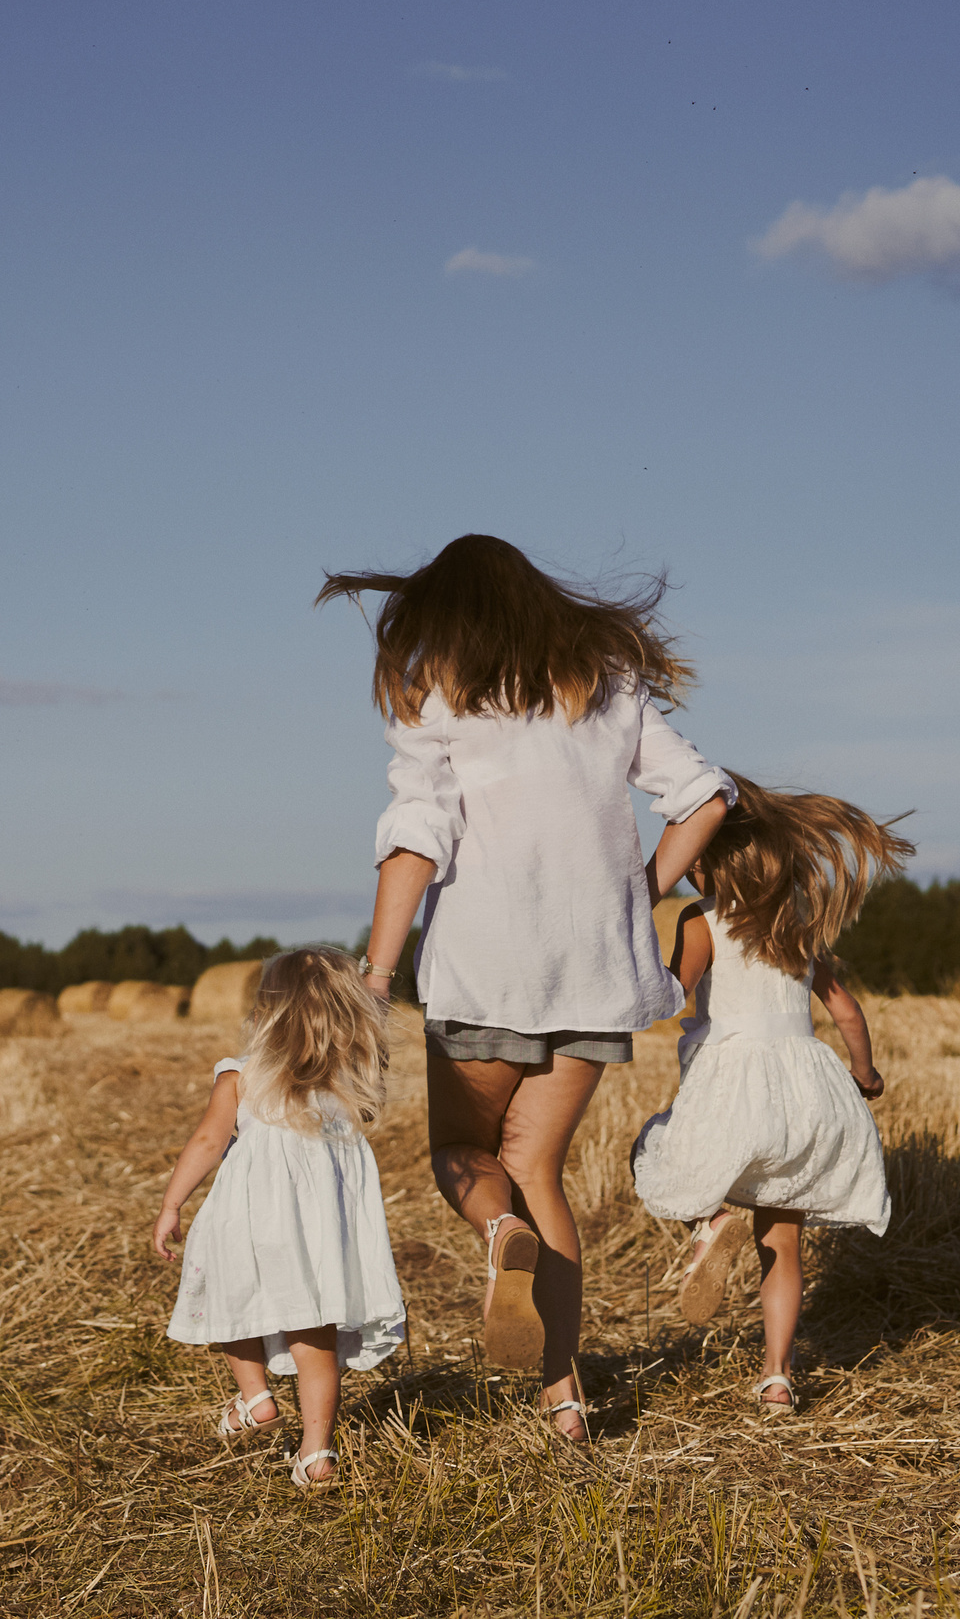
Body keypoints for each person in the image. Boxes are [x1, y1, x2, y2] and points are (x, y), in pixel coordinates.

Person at [322, 535, 732, 1443]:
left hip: (486, 972)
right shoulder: (609, 681)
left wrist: (376, 975)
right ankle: (565, 1396)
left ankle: (498, 1234)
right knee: (540, 1168)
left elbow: (416, 837)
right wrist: (634, 898)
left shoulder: (440, 697)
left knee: (463, 1153)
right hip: (596, 977)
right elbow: (705, 797)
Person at [628, 776, 913, 1412]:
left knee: (659, 1151)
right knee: (783, 1242)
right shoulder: (798, 924)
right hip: (809, 1091)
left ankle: (713, 1217)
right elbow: (847, 1013)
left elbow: (674, 991)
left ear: (711, 865)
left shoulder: (700, 921)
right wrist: (864, 1075)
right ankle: (778, 1378)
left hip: (734, 1077)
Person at [155, 945, 406, 1491]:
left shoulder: (240, 1075)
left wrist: (173, 1204)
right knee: (314, 1329)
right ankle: (317, 1454)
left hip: (247, 1217)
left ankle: (256, 1396)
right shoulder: (350, 1083)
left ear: (264, 1013)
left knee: (230, 1295)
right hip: (320, 1235)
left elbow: (206, 1141)